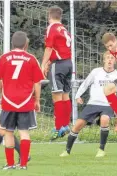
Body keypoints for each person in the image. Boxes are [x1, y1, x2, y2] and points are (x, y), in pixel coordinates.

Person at [59, 51, 117, 157]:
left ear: (115, 61)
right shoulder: (96, 72)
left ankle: (101, 150)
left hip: (108, 104)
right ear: (104, 60)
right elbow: (86, 83)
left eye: (112, 58)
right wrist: (77, 95)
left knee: (105, 119)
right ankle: (67, 151)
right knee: (77, 125)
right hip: (93, 103)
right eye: (108, 58)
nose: (110, 59)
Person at [0, 31, 44, 169]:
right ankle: (23, 164)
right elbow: (37, 82)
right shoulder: (32, 58)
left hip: (8, 101)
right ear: (26, 44)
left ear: (12, 43)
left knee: (8, 132)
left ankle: (10, 164)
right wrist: (37, 100)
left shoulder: (4, 58)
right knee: (24, 132)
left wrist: (2, 92)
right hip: (26, 101)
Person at [41, 5, 72, 141]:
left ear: (49, 16)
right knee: (65, 95)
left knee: (56, 96)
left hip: (58, 65)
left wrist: (43, 64)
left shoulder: (51, 28)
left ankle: (58, 128)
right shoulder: (64, 29)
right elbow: (58, 48)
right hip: (68, 64)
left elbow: (49, 48)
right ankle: (65, 125)